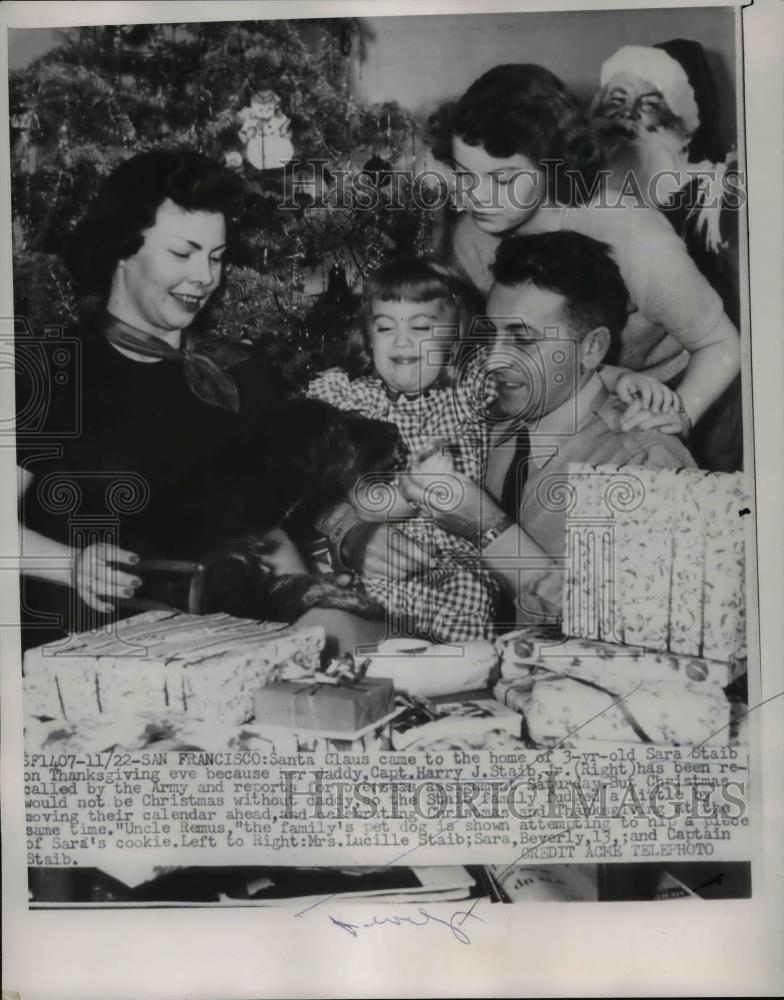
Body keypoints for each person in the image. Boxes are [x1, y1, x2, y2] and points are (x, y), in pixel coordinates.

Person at [15, 149, 288, 649]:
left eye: (216, 256)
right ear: (123, 248)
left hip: (225, 650)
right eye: (182, 254)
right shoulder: (50, 370)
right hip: (82, 652)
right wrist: (71, 566)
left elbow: (275, 531)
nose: (205, 276)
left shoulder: (240, 374)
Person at [429, 64, 741, 452]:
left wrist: (679, 415)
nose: (476, 195)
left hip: (683, 390)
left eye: (503, 179)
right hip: (581, 391)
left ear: (554, 165)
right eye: (464, 174)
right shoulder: (471, 238)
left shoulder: (630, 233)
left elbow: (722, 344)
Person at [399, 230, 696, 623]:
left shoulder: (642, 461)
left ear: (591, 348)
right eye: (492, 335)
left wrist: (489, 529)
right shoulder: (487, 426)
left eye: (522, 340)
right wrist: (356, 535)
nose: (493, 359)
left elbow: (632, 626)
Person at [306, 257, 501, 641]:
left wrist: (615, 375)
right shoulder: (349, 397)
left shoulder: (468, 393)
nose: (401, 341)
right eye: (385, 327)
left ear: (455, 335)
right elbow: (315, 484)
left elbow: (531, 366)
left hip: (452, 572)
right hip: (370, 567)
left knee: (467, 611)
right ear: (368, 334)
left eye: (421, 327)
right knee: (335, 619)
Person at [590, 39, 743, 470]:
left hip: (700, 385)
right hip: (614, 387)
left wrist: (685, 407)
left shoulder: (722, 196)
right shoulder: (596, 189)